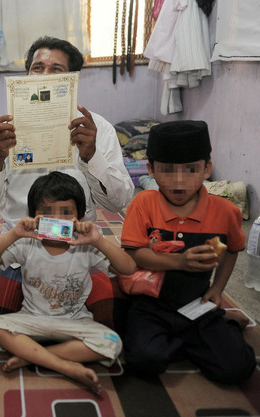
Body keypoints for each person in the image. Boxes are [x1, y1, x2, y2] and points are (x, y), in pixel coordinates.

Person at [0, 36, 133, 330]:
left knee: (114, 317)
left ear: (73, 79)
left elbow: (119, 202)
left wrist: (91, 154)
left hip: (78, 248)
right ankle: (4, 294)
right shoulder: (2, 131)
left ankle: (37, 321)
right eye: (37, 67)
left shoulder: (98, 129)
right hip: (23, 244)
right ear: (27, 75)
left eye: (56, 70)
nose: (44, 75)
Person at [121, 120, 255, 384]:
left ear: (207, 169)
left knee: (238, 368)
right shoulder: (143, 203)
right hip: (151, 303)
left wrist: (217, 289)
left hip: (197, 303)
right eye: (167, 170)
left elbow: (233, 250)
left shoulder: (227, 212)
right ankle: (185, 339)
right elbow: (135, 254)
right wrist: (180, 261)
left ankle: (216, 326)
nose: (179, 181)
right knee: (144, 360)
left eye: (191, 169)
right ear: (151, 170)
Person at [0, 172, 136, 394]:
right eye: (47, 212)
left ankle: (31, 357)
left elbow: (128, 268)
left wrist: (98, 240)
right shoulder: (27, 243)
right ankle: (66, 366)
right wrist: (15, 233)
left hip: (75, 322)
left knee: (112, 341)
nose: (57, 219)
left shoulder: (86, 246)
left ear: (79, 217)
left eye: (65, 213)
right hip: (33, 319)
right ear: (34, 215)